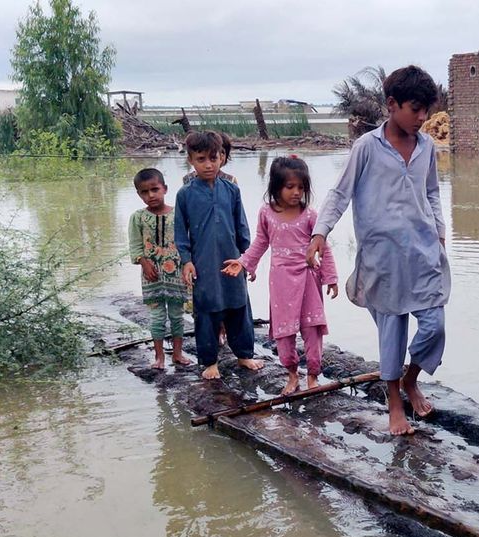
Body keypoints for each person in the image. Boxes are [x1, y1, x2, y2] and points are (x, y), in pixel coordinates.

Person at [307, 65, 449, 436]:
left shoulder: (427, 147)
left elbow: (432, 192)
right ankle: (394, 403)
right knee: (393, 330)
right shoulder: (366, 147)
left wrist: (440, 230)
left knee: (434, 325)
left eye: (425, 111)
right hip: (382, 256)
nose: (422, 118)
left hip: (422, 251)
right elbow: (340, 193)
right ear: (392, 104)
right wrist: (320, 232)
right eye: (415, 109)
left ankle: (411, 378)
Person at [223, 156, 339, 396]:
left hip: (308, 278)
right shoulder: (267, 213)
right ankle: (292, 375)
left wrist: (331, 277)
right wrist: (244, 262)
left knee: (312, 328)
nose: (296, 192)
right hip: (281, 281)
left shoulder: (310, 215)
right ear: (276, 187)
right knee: (284, 332)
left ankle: (313, 377)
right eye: (290, 187)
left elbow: (323, 247)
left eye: (301, 187)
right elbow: (261, 242)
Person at [175, 130, 264, 380]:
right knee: (206, 310)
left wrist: (249, 259)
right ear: (190, 160)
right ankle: (210, 361)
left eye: (213, 158)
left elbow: (242, 227)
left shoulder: (231, 190)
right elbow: (181, 232)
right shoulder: (185, 194)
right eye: (201, 159)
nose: (208, 164)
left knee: (239, 306)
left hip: (232, 260)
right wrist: (187, 261)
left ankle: (244, 355)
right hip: (203, 263)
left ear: (222, 158)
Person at [129, 168, 192, 370]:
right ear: (139, 194)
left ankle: (177, 354)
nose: (151, 195)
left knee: (176, 315)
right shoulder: (138, 218)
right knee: (156, 317)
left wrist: (187, 265)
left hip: (176, 273)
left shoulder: (178, 214)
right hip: (152, 275)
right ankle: (159, 357)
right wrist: (143, 261)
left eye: (155, 189)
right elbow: (135, 246)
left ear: (164, 188)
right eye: (144, 192)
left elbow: (186, 242)